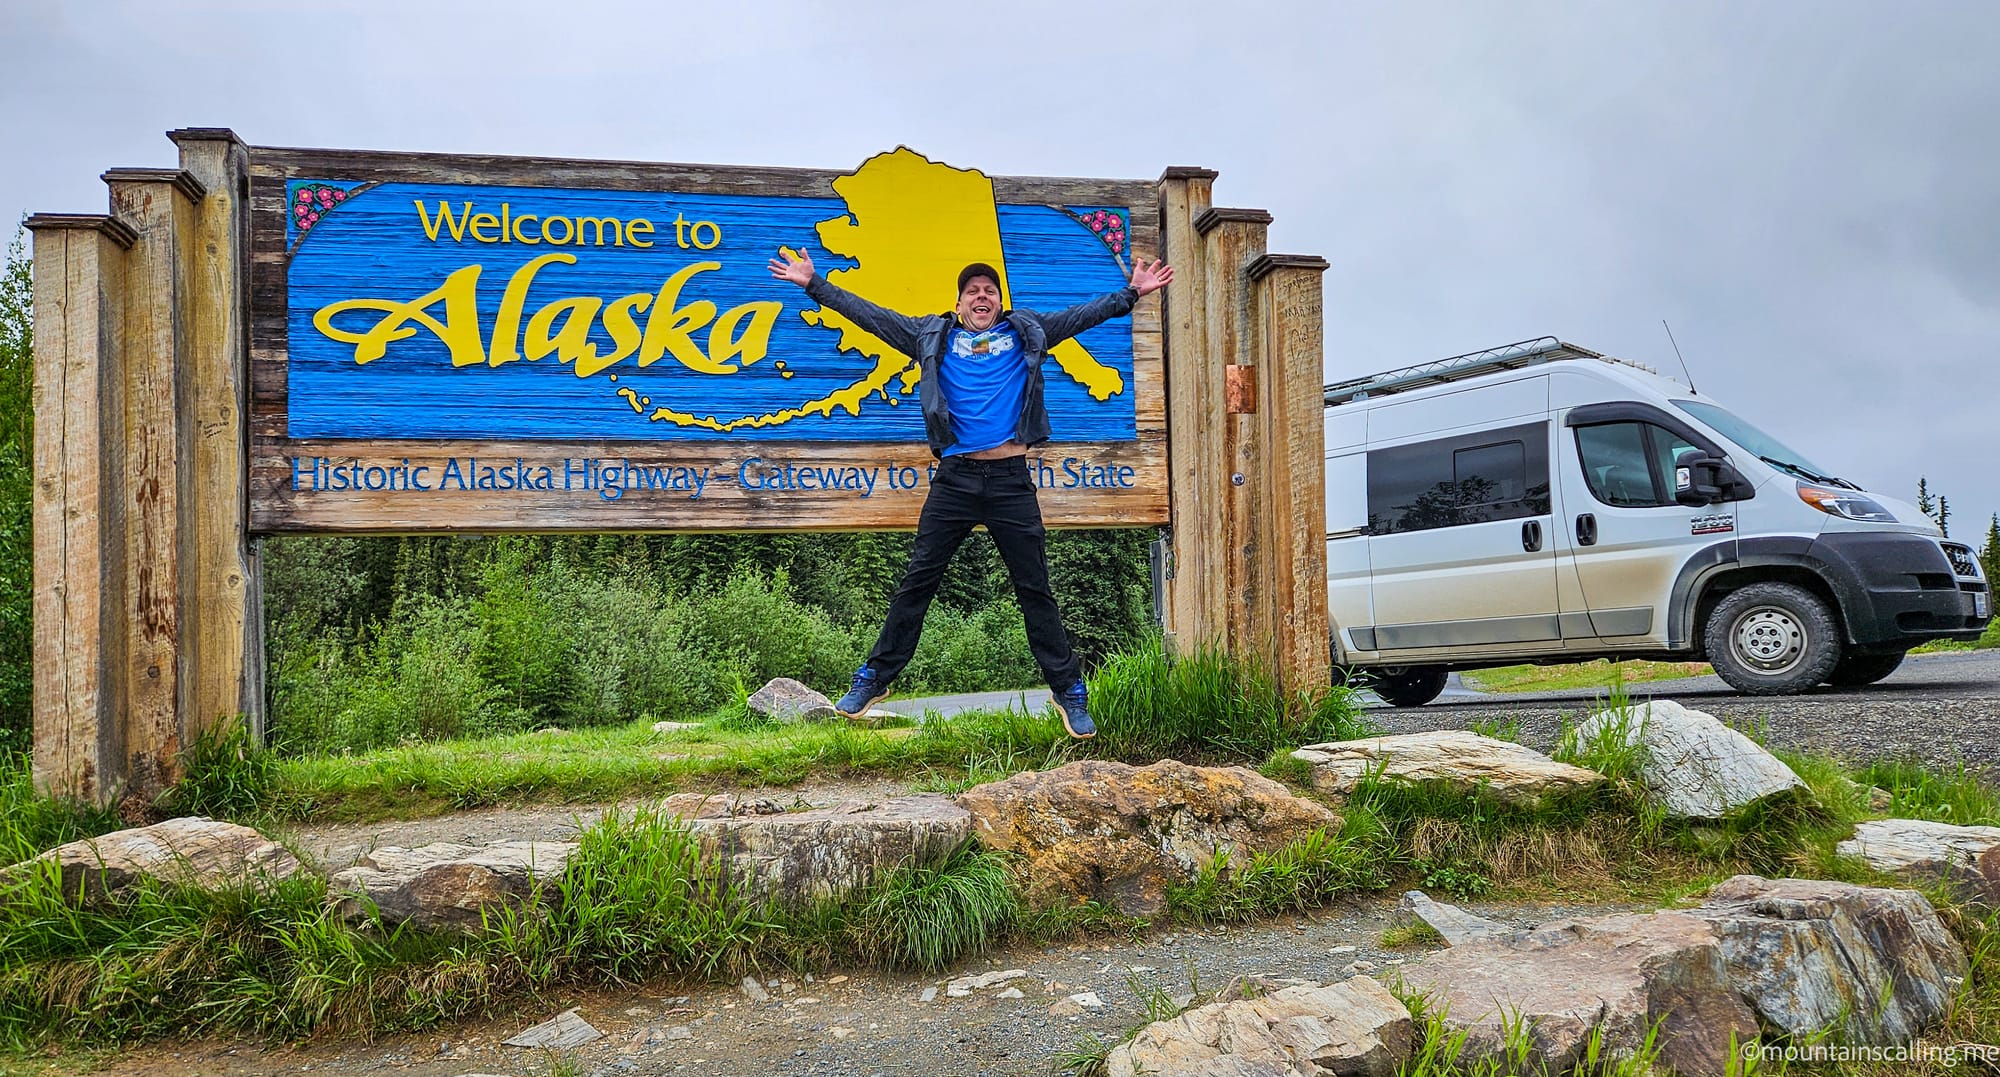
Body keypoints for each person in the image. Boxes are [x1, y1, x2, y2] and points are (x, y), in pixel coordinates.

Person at [767, 247, 1173, 738]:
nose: (982, 296)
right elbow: (871, 316)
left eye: (989, 290)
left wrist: (1131, 293)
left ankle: (1067, 688)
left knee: (1034, 587)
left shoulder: (1027, 331)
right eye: (972, 291)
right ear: (959, 303)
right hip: (955, 479)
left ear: (999, 301)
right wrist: (815, 284)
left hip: (1010, 481)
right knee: (918, 581)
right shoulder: (930, 335)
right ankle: (875, 677)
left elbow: (1082, 315)